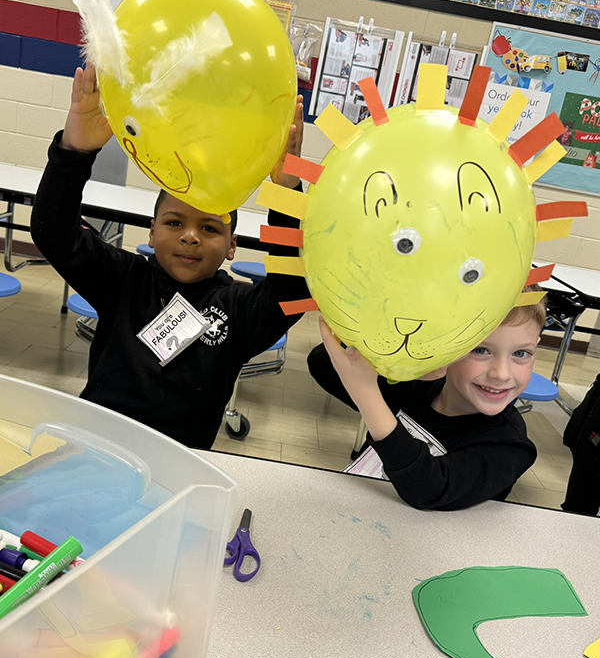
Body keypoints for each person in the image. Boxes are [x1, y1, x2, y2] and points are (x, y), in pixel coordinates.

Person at [31, 63, 306, 449]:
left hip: (177, 471)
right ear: (152, 230)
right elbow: (52, 232)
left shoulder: (239, 309)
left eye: (209, 228)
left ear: (232, 245)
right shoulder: (124, 280)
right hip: (92, 450)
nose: (190, 237)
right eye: (174, 223)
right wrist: (74, 152)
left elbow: (292, 289)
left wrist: (288, 193)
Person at [308, 288, 546, 511]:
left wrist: (366, 393)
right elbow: (322, 363)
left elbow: (429, 489)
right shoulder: (415, 388)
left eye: (521, 353)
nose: (501, 374)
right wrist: (403, 366)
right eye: (480, 350)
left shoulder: (509, 445)